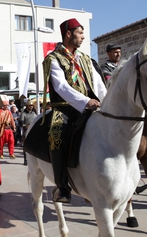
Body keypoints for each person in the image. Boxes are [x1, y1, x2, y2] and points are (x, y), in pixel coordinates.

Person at [42, 18, 106, 203]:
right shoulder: (53, 58)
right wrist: (86, 102)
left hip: (91, 105)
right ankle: (62, 186)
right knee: (56, 132)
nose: (84, 37)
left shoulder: (85, 59)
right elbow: (61, 87)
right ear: (68, 34)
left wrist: (106, 102)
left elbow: (99, 85)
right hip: (65, 108)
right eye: (80, 32)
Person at [0, 95, 16, 159]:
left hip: (9, 129)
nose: (6, 106)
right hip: (2, 129)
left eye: (7, 105)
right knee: (1, 143)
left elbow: (12, 120)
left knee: (12, 141)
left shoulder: (9, 112)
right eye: (5, 105)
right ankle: (1, 154)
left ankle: (11, 153)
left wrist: (14, 127)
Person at [20, 100, 37, 165]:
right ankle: (26, 159)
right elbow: (21, 123)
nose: (31, 107)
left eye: (32, 105)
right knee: (26, 146)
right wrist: (27, 125)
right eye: (30, 105)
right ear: (27, 106)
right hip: (26, 131)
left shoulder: (34, 113)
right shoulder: (23, 113)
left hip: (33, 131)